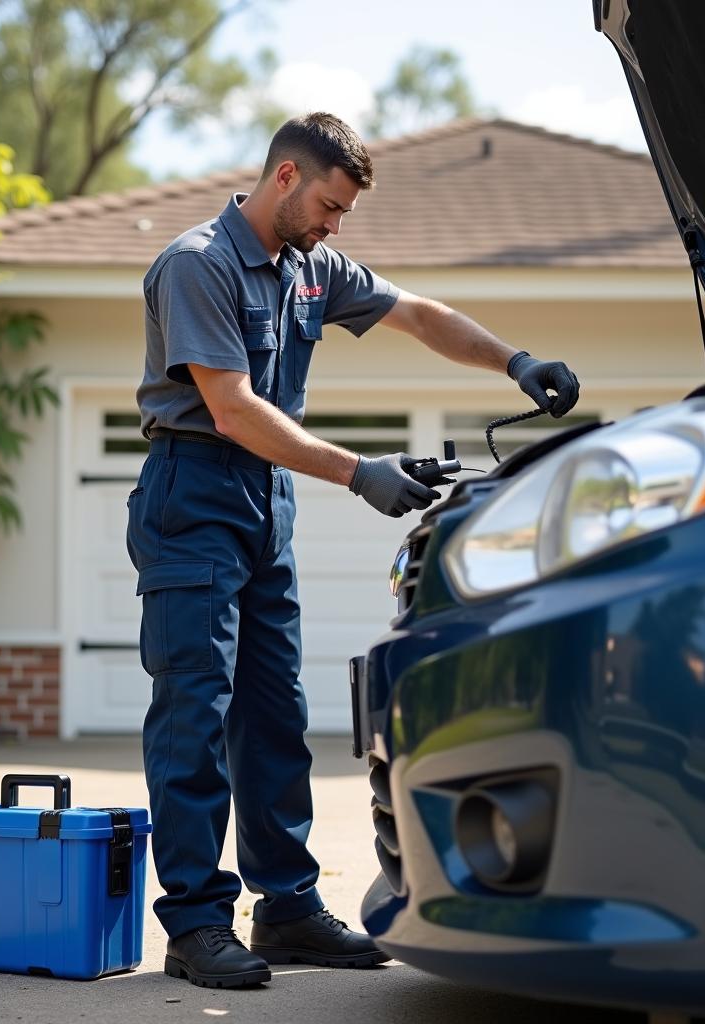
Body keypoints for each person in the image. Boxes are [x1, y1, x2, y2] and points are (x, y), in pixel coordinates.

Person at [127, 111, 580, 989]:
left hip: (267, 503)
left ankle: (287, 910)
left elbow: (418, 314)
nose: (338, 227)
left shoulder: (310, 269)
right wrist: (358, 470)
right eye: (332, 206)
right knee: (194, 712)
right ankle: (194, 925)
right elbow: (232, 410)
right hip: (195, 493)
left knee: (272, 715)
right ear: (287, 179)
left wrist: (515, 362)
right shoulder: (198, 264)